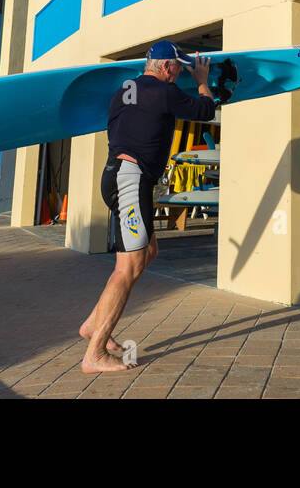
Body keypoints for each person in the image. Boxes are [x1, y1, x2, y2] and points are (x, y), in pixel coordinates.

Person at [79, 40, 217, 373]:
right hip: (130, 181)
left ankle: (91, 326)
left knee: (147, 252)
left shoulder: (124, 90)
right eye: (179, 68)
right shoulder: (163, 91)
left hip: (119, 177)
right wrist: (202, 80)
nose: (179, 73)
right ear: (168, 67)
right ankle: (94, 355)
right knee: (127, 267)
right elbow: (205, 111)